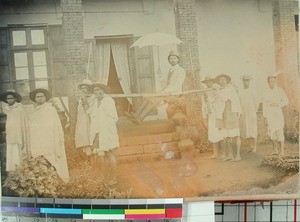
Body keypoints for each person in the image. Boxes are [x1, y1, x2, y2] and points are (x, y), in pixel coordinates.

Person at [126, 50, 186, 122]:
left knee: (154, 100)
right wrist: (160, 76)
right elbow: (166, 84)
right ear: (169, 60)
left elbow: (177, 86)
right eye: (171, 58)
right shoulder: (171, 70)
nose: (172, 60)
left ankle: (139, 118)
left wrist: (165, 91)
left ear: (178, 59)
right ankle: (136, 115)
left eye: (174, 58)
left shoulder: (180, 70)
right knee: (148, 96)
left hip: (174, 94)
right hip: (167, 92)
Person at [28, 88, 69, 183]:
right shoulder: (34, 112)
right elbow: (32, 127)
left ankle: (53, 179)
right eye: (37, 97)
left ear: (45, 98)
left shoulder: (50, 110)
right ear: (35, 99)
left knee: (49, 158)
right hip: (38, 139)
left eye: (41, 96)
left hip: (49, 139)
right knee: (39, 159)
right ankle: (42, 180)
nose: (40, 98)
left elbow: (55, 126)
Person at [87, 82, 119, 182]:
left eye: (99, 90)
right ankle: (104, 177)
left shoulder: (108, 100)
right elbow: (90, 113)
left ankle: (113, 177)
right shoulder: (95, 102)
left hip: (108, 131)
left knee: (110, 154)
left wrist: (100, 102)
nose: (97, 92)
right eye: (95, 90)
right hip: (98, 132)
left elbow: (113, 116)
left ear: (103, 91)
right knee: (100, 154)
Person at [0, 90, 29, 171]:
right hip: (10, 134)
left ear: (15, 99)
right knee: (11, 152)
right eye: (8, 99)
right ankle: (12, 171)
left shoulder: (19, 109)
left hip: (18, 134)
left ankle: (19, 170)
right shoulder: (8, 109)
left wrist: (21, 134)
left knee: (17, 153)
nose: (9, 100)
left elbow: (22, 122)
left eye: (11, 98)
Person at [215, 74, 242, 161]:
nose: (222, 81)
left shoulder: (230, 89)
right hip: (224, 113)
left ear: (227, 81)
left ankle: (238, 155)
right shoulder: (219, 90)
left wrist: (217, 90)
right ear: (218, 81)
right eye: (220, 80)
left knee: (236, 135)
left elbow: (224, 98)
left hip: (232, 112)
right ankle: (230, 155)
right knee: (228, 136)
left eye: (224, 79)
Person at [262, 74, 288, 155]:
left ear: (276, 82)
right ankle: (275, 150)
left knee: (279, 130)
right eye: (270, 82)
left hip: (277, 113)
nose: (272, 83)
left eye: (273, 81)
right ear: (268, 82)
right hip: (269, 114)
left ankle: (282, 151)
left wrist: (277, 104)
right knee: (272, 132)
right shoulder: (266, 92)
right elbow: (264, 105)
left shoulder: (279, 90)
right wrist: (265, 117)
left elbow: (286, 101)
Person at [201, 76, 226, 160]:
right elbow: (203, 105)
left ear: (213, 82)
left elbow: (222, 101)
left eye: (210, 82)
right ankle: (215, 154)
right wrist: (204, 116)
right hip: (211, 116)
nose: (209, 83)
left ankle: (223, 154)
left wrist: (217, 90)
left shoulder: (217, 89)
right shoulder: (205, 92)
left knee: (221, 135)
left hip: (218, 115)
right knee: (213, 135)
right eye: (207, 82)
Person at [238, 75, 259, 153]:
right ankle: (251, 146)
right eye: (244, 80)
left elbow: (256, 102)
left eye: (247, 80)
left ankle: (255, 147)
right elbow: (240, 102)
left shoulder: (253, 90)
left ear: (249, 81)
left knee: (253, 129)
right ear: (242, 81)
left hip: (252, 112)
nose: (245, 82)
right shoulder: (241, 91)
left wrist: (254, 111)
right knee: (247, 130)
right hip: (244, 113)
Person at [75, 79, 94, 155]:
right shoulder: (81, 98)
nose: (83, 90)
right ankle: (87, 155)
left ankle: (93, 152)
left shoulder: (93, 97)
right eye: (82, 88)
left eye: (85, 88)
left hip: (90, 119)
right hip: (82, 119)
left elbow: (91, 110)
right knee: (84, 134)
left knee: (90, 134)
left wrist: (85, 101)